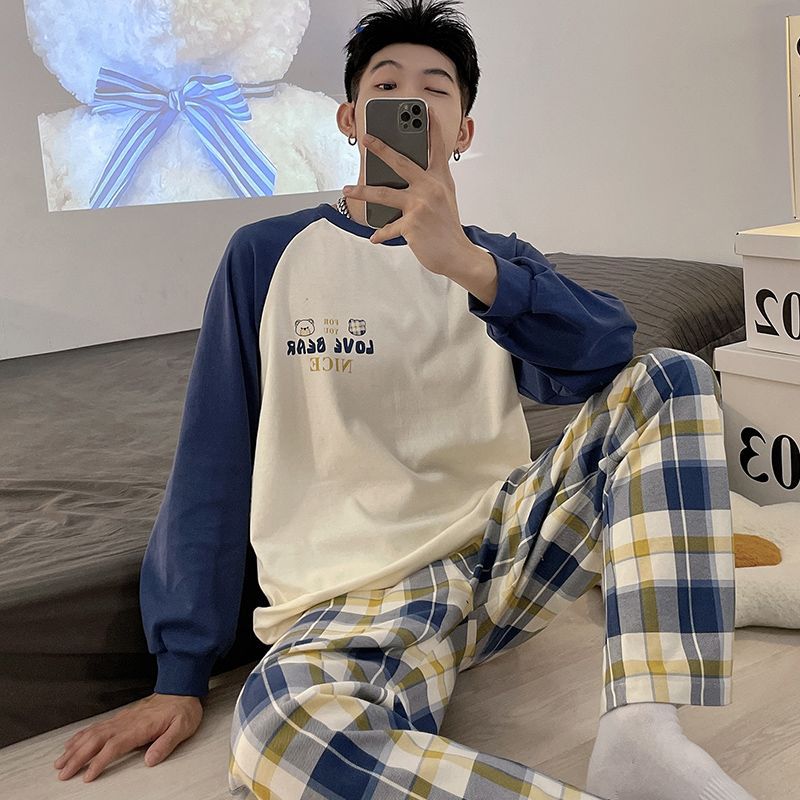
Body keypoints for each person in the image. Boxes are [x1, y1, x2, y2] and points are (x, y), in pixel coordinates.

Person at [53, 2, 756, 799]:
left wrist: (470, 267)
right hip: (351, 598)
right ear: (350, 120)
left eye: (434, 90)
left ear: (462, 131)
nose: (409, 101)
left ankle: (642, 736)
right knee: (280, 737)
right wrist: (179, 673)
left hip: (499, 561)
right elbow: (213, 454)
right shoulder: (267, 255)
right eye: (386, 88)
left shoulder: (497, 262)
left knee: (675, 377)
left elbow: (606, 356)